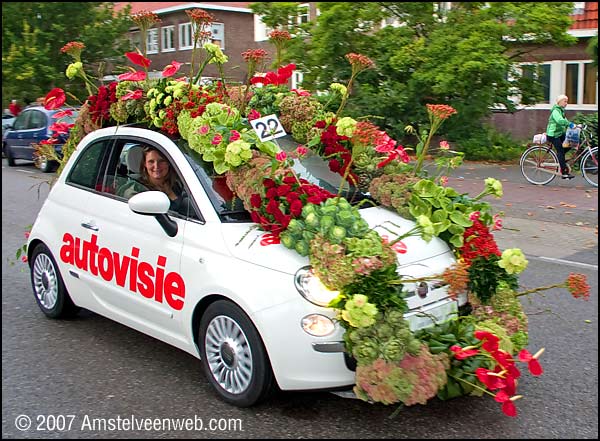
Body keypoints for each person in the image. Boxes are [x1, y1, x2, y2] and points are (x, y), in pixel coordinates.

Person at [120, 146, 186, 213]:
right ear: (145, 164)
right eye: (151, 161)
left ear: (168, 162)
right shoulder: (136, 190)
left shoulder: (178, 183)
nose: (156, 166)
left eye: (161, 161)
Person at [546, 94, 574, 179]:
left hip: (560, 133)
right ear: (559, 102)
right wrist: (570, 124)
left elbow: (565, 121)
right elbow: (559, 120)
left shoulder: (561, 111)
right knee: (561, 151)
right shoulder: (555, 111)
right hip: (553, 135)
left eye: (567, 102)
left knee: (571, 143)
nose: (566, 103)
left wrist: (575, 126)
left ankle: (560, 158)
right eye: (565, 101)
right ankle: (564, 173)